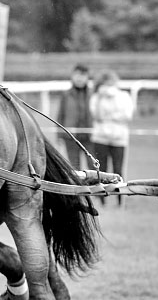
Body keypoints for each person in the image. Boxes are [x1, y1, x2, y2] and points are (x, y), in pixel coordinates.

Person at [89, 70, 134, 205]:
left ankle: (120, 198)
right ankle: (102, 199)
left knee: (118, 168)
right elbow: (97, 115)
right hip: (100, 137)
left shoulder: (123, 96)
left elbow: (127, 115)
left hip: (119, 138)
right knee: (101, 170)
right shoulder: (96, 98)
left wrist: (112, 115)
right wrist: (101, 98)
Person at [56, 64, 93, 169]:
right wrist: (59, 135)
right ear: (72, 76)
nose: (79, 78)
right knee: (75, 167)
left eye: (83, 75)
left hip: (90, 136)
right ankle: (78, 186)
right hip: (71, 137)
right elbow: (60, 115)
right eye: (77, 75)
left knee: (93, 165)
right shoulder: (66, 95)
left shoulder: (93, 94)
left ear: (87, 77)